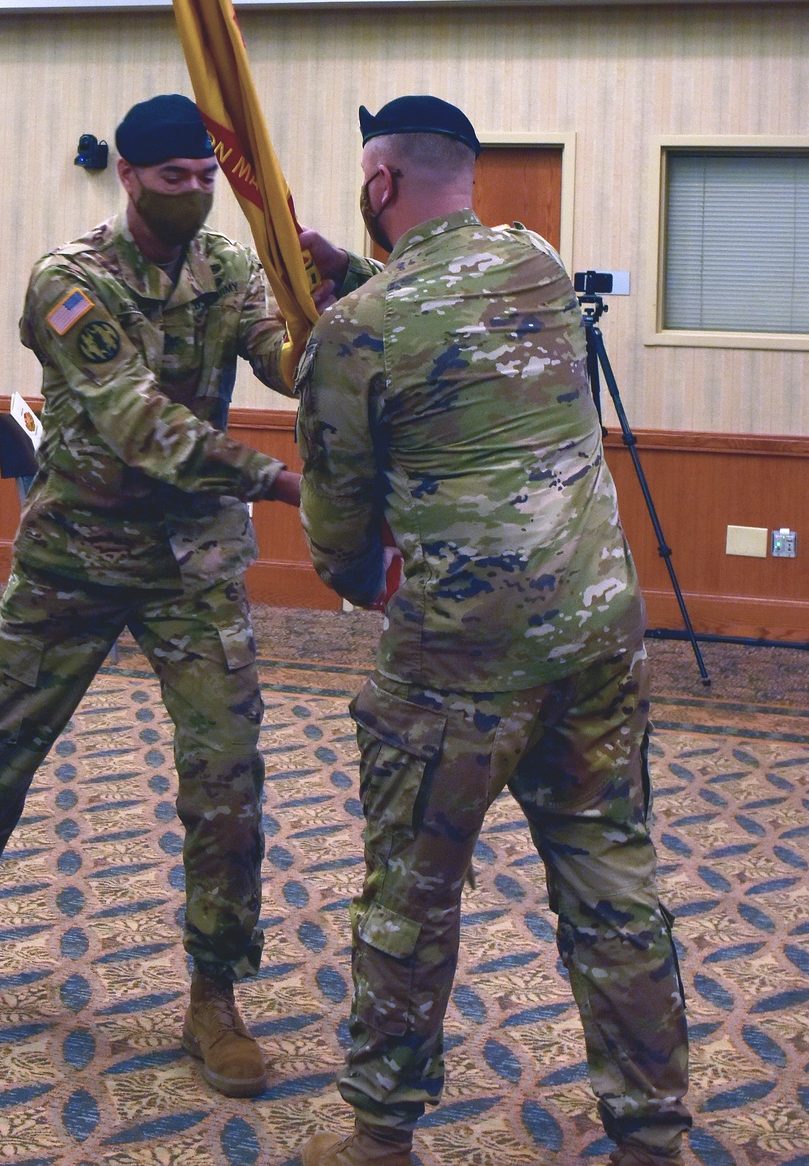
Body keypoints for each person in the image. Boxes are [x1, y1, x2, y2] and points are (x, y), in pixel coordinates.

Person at [0, 94, 324, 1100]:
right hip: (75, 556)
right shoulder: (69, 280)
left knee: (225, 771)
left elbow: (284, 355)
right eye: (172, 176)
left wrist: (338, 319)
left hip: (190, 563)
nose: (193, 192)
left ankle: (213, 992)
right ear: (129, 176)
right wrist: (280, 481)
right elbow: (139, 422)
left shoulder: (226, 266)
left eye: (204, 175)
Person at [294, 96, 690, 1166]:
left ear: (377, 183)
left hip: (455, 667)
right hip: (597, 635)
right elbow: (444, 316)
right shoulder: (538, 262)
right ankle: (653, 1134)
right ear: (464, 173)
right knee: (614, 883)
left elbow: (334, 543)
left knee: (409, 901)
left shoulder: (356, 330)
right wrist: (352, 277)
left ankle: (379, 1131)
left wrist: (340, 306)